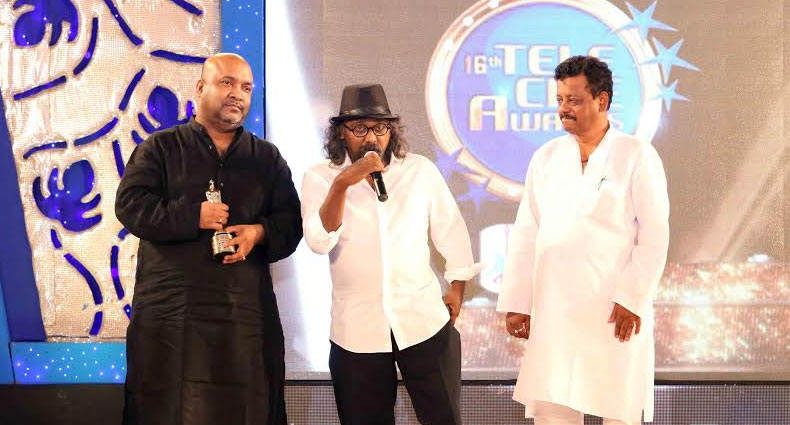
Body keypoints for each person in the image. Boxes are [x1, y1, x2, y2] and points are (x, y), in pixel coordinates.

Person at [116, 53, 302, 425]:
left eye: (246, 87)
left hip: (243, 318)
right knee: (166, 407)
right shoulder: (160, 148)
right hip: (172, 317)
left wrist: (258, 233)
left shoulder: (266, 158)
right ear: (201, 88)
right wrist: (192, 216)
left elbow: (291, 223)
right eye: (227, 83)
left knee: (248, 407)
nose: (237, 94)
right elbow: (131, 206)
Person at [496, 56, 670, 425]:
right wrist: (517, 301)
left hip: (613, 308)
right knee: (553, 407)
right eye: (560, 100)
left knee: (617, 407)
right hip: (554, 308)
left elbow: (655, 234)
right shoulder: (546, 157)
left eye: (574, 100)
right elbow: (527, 231)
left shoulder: (636, 154)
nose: (563, 109)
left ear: (601, 100)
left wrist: (632, 297)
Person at [301, 83, 482, 425]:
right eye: (359, 128)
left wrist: (457, 287)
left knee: (444, 418)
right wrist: (343, 183)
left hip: (423, 322)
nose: (371, 138)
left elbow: (451, 229)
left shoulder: (419, 171)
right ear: (340, 133)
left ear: (392, 131)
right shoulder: (321, 177)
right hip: (356, 332)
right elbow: (319, 241)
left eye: (380, 128)